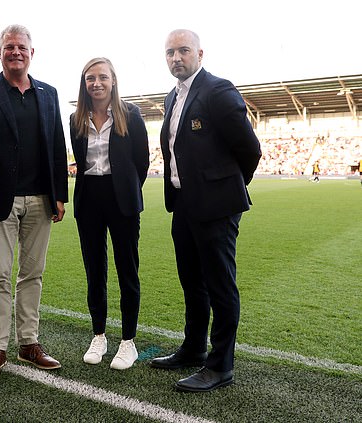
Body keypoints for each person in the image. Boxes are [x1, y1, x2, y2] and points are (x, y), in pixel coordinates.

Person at [149, 29, 262, 392]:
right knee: (192, 282)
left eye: (183, 50)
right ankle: (194, 348)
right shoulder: (172, 97)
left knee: (220, 286)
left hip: (216, 208)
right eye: (170, 52)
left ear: (200, 53)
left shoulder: (217, 89)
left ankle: (220, 366)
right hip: (183, 204)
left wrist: (226, 189)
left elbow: (249, 149)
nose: (176, 57)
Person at [0, 24, 68, 381]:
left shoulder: (49, 94)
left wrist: (59, 195)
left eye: (22, 47)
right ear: (0, 53)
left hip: (40, 199)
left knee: (33, 274)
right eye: (9, 47)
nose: (16, 52)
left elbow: (56, 146)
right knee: (0, 276)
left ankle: (29, 343)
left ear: (32, 53)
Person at [69, 57, 149, 370]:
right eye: (91, 78)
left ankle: (128, 342)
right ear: (84, 83)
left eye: (103, 77)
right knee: (95, 271)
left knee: (127, 270)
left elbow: (140, 161)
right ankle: (99, 336)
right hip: (89, 198)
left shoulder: (130, 114)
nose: (97, 83)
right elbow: (79, 158)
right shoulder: (76, 118)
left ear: (113, 80)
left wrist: (126, 188)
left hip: (122, 201)